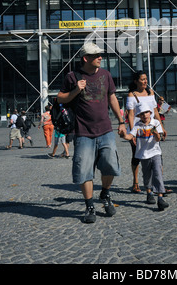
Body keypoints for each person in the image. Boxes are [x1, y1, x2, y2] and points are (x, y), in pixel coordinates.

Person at [57, 42, 125, 224]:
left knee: (111, 166)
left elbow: (112, 97)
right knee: (84, 171)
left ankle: (105, 193)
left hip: (105, 130)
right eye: (96, 56)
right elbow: (60, 98)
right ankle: (89, 205)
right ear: (86, 58)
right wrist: (75, 90)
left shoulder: (106, 75)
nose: (100, 58)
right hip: (83, 132)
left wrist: (122, 121)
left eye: (100, 55)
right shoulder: (72, 76)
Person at [120, 102, 169, 211]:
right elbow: (130, 136)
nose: (145, 115)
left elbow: (158, 139)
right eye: (142, 114)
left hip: (155, 152)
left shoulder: (155, 123)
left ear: (150, 113)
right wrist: (124, 135)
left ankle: (160, 198)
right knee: (146, 175)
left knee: (158, 173)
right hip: (143, 154)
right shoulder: (137, 125)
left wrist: (156, 134)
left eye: (146, 112)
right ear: (139, 116)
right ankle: (149, 192)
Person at [126, 71, 167, 193]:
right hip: (138, 129)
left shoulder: (150, 92)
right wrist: (134, 133)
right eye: (142, 79)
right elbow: (131, 114)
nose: (145, 81)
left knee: (157, 155)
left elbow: (155, 111)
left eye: (146, 79)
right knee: (137, 156)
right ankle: (136, 182)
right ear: (136, 81)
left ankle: (159, 186)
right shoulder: (132, 94)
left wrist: (162, 127)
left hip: (152, 128)